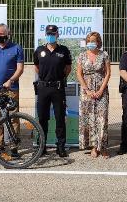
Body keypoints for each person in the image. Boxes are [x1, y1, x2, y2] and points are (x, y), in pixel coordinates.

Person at [0, 23, 24, 157]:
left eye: (2, 34)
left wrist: (10, 80)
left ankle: (14, 146)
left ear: (8, 33)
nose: (0, 36)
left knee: (13, 117)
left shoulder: (16, 48)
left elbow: (20, 69)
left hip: (11, 89)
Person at [33, 24, 72, 157]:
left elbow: (68, 68)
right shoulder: (39, 50)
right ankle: (42, 146)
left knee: (60, 118)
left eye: (53, 33)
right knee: (43, 118)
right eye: (48, 34)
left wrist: (59, 78)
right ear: (46, 35)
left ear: (57, 34)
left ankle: (60, 146)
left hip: (58, 88)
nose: (51, 36)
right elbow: (37, 67)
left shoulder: (64, 50)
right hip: (43, 87)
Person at [76, 32, 111, 158]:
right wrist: (87, 89)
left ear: (98, 42)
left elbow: (107, 73)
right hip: (86, 92)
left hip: (101, 89)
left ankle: (103, 147)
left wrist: (101, 89)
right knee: (89, 118)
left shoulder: (104, 55)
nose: (91, 43)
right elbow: (79, 74)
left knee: (102, 118)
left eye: (94, 41)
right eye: (89, 41)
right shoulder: (81, 56)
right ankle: (93, 147)